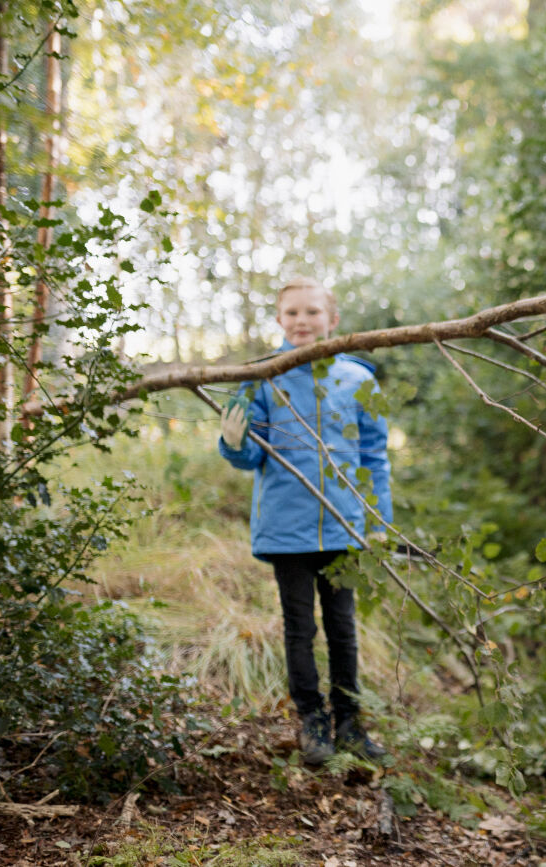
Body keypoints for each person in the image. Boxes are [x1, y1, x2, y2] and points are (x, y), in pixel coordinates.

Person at [218, 275, 393, 765]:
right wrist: (233, 442)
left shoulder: (358, 379)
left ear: (332, 320)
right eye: (292, 312)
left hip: (345, 526)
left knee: (343, 628)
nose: (302, 321)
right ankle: (312, 721)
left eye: (312, 312)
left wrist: (377, 521)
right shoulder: (262, 378)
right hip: (285, 529)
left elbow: (374, 456)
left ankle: (351, 723)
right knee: (299, 628)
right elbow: (250, 458)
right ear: (279, 319)